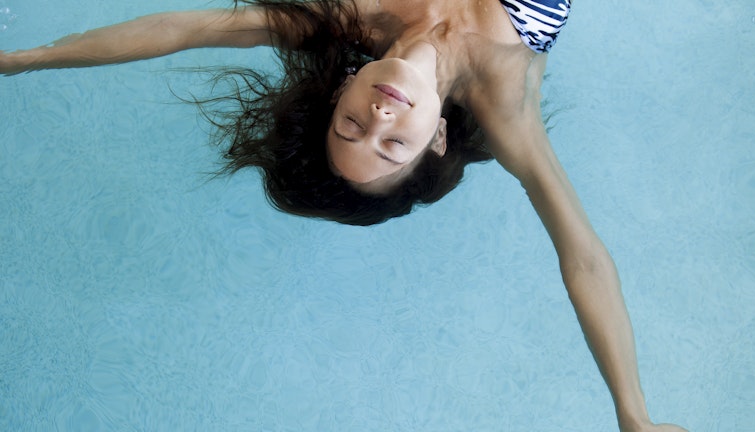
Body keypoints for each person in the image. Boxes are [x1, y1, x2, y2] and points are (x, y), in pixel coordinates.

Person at [0, 1, 687, 430]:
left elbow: (187, 29)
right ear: (436, 139)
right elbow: (582, 255)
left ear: (342, 91)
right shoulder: (504, 98)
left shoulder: (353, 17)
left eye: (352, 125)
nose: (380, 116)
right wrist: (633, 414)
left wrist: (25, 59)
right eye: (392, 144)